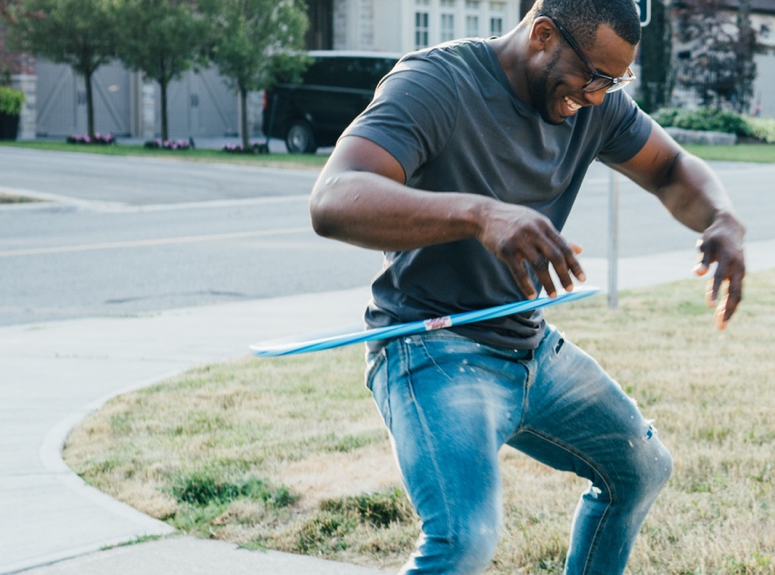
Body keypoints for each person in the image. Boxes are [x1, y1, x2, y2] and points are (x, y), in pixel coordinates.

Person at [306, 0, 746, 571]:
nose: (597, 96)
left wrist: (722, 218)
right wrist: (480, 214)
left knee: (639, 469)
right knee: (465, 540)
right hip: (431, 347)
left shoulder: (598, 103)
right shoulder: (437, 82)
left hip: (529, 346)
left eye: (614, 82)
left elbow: (669, 167)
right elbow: (334, 198)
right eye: (592, 77)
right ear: (542, 35)